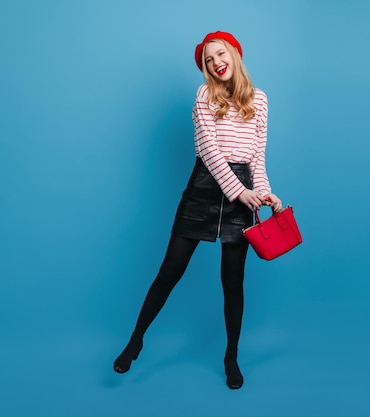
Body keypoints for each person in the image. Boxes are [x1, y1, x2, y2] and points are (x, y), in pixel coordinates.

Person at [113, 30, 282, 390]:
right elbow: (208, 149)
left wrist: (264, 193)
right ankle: (135, 340)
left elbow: (257, 158)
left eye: (220, 54)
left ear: (235, 54)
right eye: (208, 59)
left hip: (243, 191)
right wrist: (240, 192)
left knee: (232, 282)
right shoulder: (205, 94)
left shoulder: (261, 100)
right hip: (205, 187)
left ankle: (231, 356)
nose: (216, 62)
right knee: (170, 270)